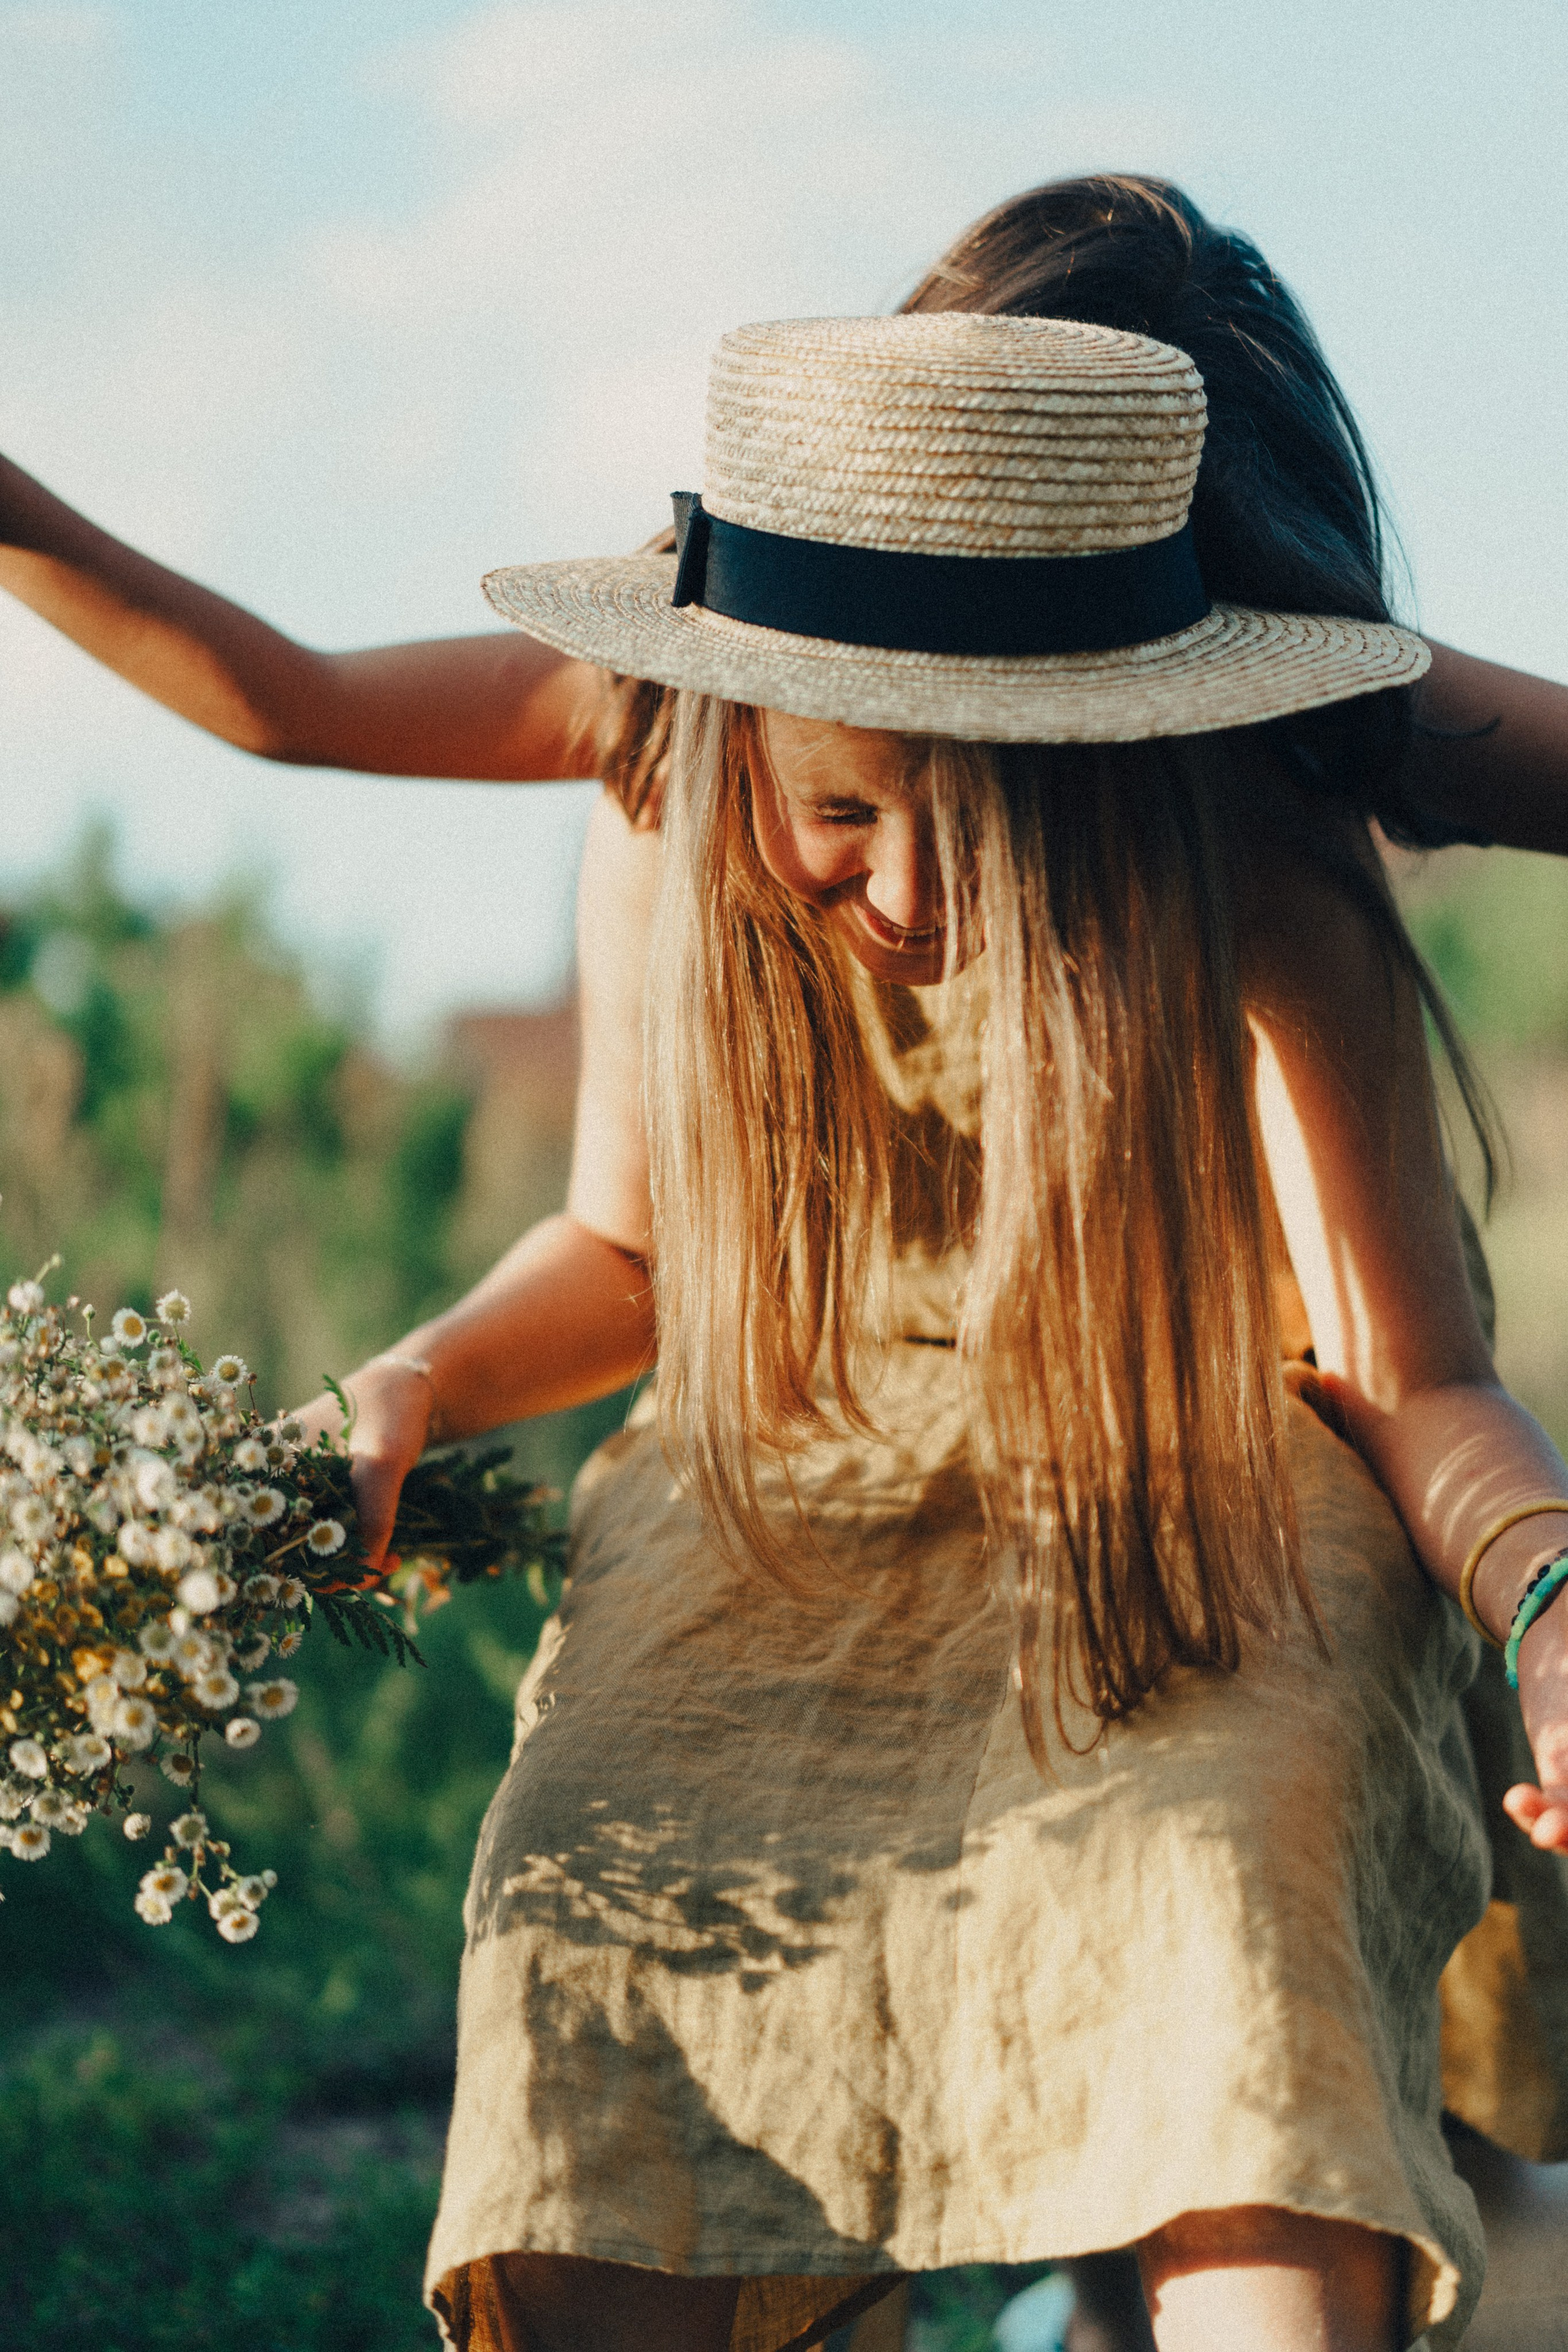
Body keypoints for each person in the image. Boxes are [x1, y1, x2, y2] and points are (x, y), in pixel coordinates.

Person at [4, 176, 1568, 2352]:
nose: (909, 894)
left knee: (1226, 1894)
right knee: (579, 1919)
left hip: (1185, 1493)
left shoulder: (1245, 797)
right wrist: (422, 1383)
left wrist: (1552, 1594)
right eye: (842, 814)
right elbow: (613, 1231)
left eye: (985, 822)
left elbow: (1414, 1373)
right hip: (775, 1493)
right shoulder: (675, 726)